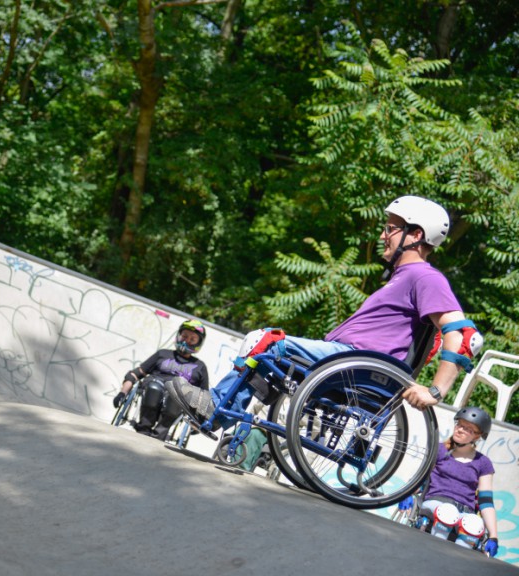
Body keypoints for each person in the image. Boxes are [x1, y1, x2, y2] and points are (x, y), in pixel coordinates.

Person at [166, 195, 483, 430]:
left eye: (391, 229)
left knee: (264, 339)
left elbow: (463, 334)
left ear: (415, 235)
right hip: (349, 360)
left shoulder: (424, 277)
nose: (383, 235)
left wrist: (435, 391)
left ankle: (216, 409)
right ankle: (219, 413)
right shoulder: (402, 277)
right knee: (270, 360)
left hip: (357, 363)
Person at [411, 406, 499, 557]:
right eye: (459, 424)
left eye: (468, 429)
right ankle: (430, 557)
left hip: (465, 513)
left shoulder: (483, 463)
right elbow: (420, 477)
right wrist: (407, 495)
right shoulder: (439, 450)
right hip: (436, 503)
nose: (460, 430)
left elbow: (486, 501)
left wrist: (493, 536)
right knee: (448, 513)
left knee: (474, 524)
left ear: (478, 436)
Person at [112, 319, 209, 441]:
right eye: (184, 336)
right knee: (154, 388)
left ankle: (159, 434)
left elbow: (203, 397)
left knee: (176, 395)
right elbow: (135, 374)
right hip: (154, 386)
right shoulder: (162, 354)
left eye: (192, 339)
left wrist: (200, 422)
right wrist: (122, 393)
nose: (187, 340)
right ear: (179, 336)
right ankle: (144, 428)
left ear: (198, 343)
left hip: (178, 397)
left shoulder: (200, 366)